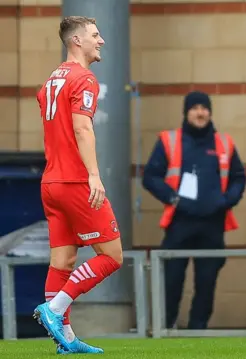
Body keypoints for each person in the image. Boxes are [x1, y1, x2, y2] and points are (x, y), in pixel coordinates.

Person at [33, 16, 123, 354]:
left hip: (51, 181)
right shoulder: (83, 78)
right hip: (73, 181)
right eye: (95, 36)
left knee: (63, 260)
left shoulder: (51, 80)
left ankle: (66, 340)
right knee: (112, 256)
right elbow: (83, 128)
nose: (101, 41)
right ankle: (54, 311)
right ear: (76, 41)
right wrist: (94, 175)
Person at [142, 91, 246, 330]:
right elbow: (150, 177)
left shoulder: (224, 143)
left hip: (213, 223)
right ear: (186, 112)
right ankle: (165, 328)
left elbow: (239, 178)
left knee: (207, 282)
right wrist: (173, 198)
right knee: (171, 279)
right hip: (180, 221)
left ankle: (197, 331)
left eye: (204, 108)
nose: (200, 112)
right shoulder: (170, 140)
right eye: (195, 108)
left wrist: (225, 201)